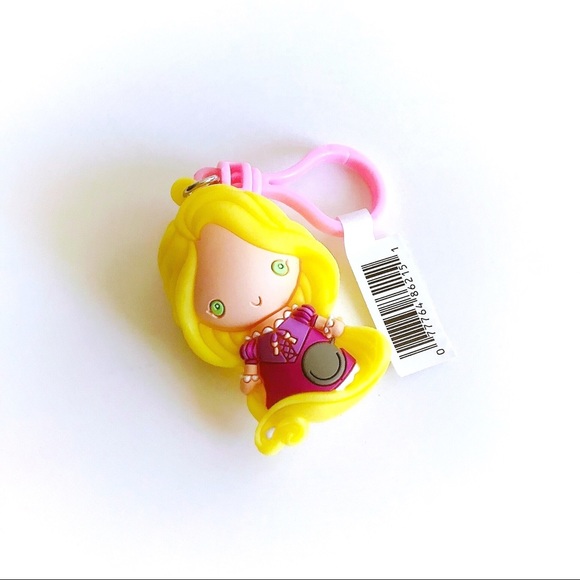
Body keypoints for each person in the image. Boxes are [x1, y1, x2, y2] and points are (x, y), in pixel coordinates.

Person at [159, 181, 390, 454]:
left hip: (324, 357)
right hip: (282, 385)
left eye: (277, 266)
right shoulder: (252, 348)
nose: (255, 299)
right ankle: (290, 412)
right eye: (217, 307)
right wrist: (250, 381)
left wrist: (332, 327)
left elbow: (325, 325)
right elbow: (250, 375)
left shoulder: (302, 315)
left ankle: (337, 380)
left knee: (329, 366)